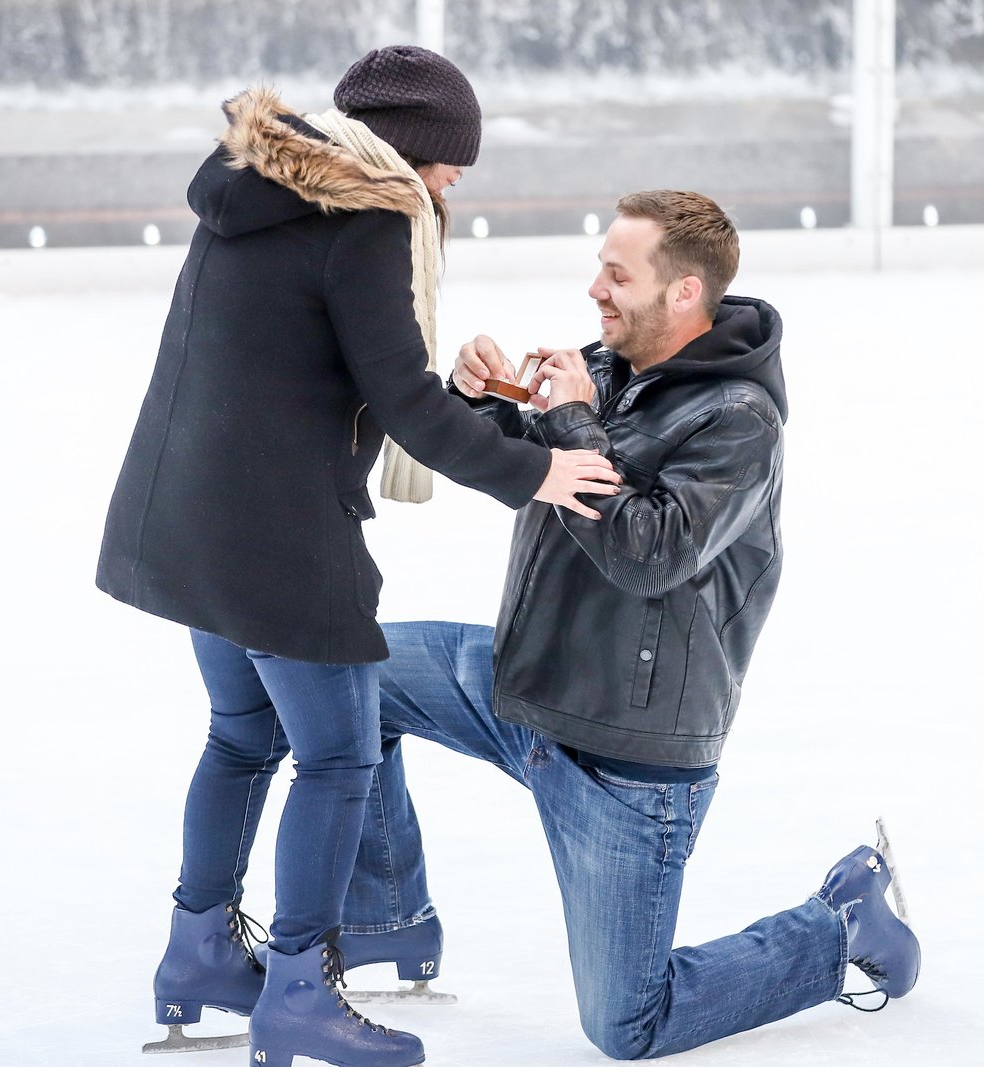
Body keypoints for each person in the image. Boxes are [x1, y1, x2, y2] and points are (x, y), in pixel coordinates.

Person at [94, 46, 621, 1066]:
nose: (453, 183)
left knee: (242, 738)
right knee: (337, 752)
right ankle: (297, 988)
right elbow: (404, 405)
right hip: (281, 535)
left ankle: (199, 948)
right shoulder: (375, 215)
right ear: (410, 150)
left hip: (192, 520)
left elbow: (334, 370)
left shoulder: (260, 187)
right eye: (449, 164)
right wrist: (537, 471)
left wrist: (469, 400)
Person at [337, 190, 922, 1058]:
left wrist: (574, 419)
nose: (594, 291)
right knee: (353, 673)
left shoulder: (739, 421)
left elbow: (648, 550)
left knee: (625, 1023)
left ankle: (842, 925)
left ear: (683, 293)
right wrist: (479, 404)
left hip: (629, 761)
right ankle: (387, 916)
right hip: (525, 686)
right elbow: (534, 472)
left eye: (617, 275)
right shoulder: (612, 366)